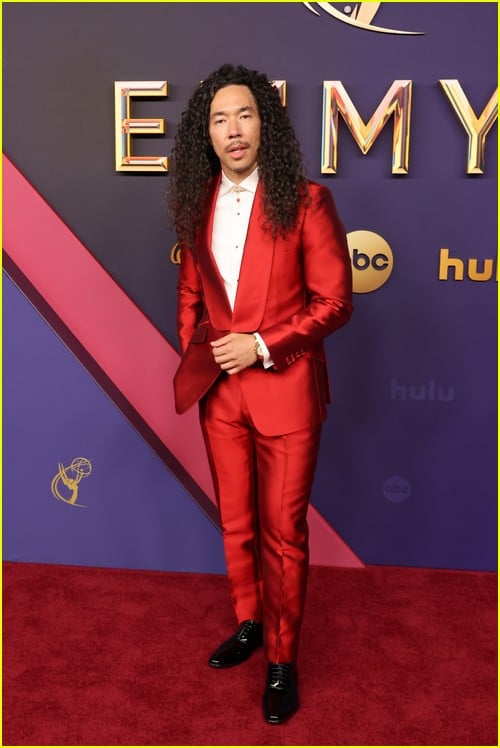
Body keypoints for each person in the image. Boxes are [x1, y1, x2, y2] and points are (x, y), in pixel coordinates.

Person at [168, 64, 352, 724]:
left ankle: (281, 659)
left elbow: (335, 302)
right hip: (222, 397)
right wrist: (205, 350)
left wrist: (262, 345)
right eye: (218, 119)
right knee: (238, 524)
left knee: (284, 536)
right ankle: (249, 621)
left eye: (243, 114)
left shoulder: (307, 201)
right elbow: (191, 294)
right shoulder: (198, 202)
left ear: (264, 124)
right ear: (205, 135)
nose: (232, 129)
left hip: (288, 392)